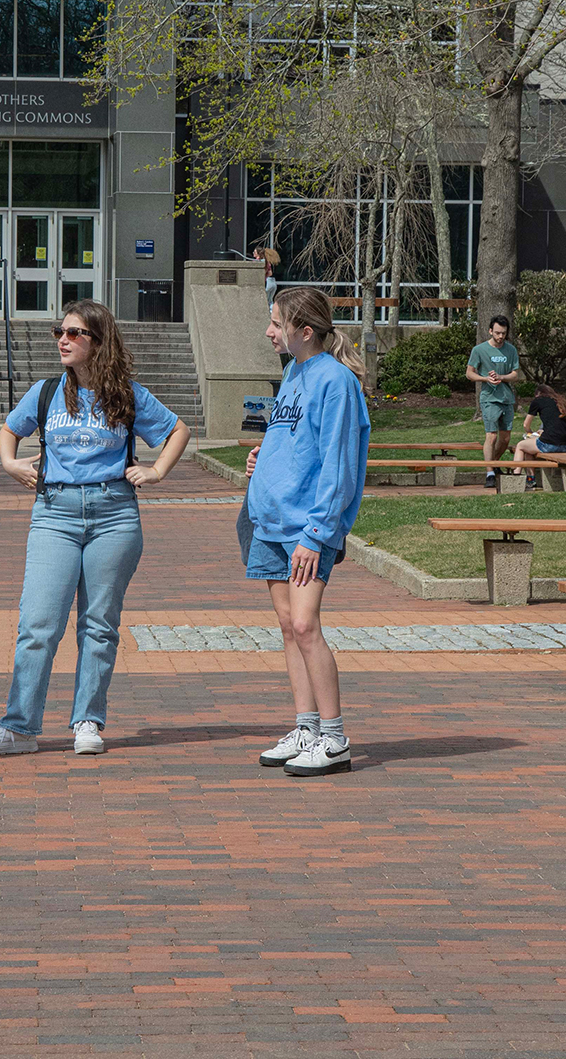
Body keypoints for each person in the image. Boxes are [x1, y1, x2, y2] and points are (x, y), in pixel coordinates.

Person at [0, 300, 191, 758]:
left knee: (99, 625)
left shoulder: (126, 393)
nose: (63, 340)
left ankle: (87, 722)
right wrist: (10, 464)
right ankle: (19, 728)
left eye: (74, 333)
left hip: (115, 515)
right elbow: (10, 430)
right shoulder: (48, 391)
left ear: (97, 341)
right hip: (55, 513)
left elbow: (177, 431)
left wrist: (156, 472)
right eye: (59, 332)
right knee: (38, 624)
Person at [244, 287, 370, 777]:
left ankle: (334, 738)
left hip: (306, 528)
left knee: (305, 625)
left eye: (276, 324)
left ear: (305, 331)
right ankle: (306, 728)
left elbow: (338, 465)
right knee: (286, 626)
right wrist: (263, 458)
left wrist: (316, 535)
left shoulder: (335, 382)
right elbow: (293, 442)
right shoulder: (293, 373)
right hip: (271, 523)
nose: (270, 332)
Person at [464, 315, 520, 486]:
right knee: (491, 436)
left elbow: (515, 374)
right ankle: (489, 473)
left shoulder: (511, 350)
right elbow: (469, 373)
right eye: (497, 333)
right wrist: (485, 379)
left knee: (505, 438)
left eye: (503, 333)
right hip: (489, 398)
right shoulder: (479, 350)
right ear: (490, 331)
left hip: (506, 398)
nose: (500, 336)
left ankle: (493, 463)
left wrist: (502, 377)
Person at [512, 382, 566, 488]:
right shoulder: (561, 402)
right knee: (529, 449)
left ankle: (516, 476)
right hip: (565, 446)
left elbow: (525, 424)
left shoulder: (537, 401)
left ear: (539, 394)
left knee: (520, 446)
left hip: (549, 445)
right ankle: (530, 479)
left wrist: (530, 432)